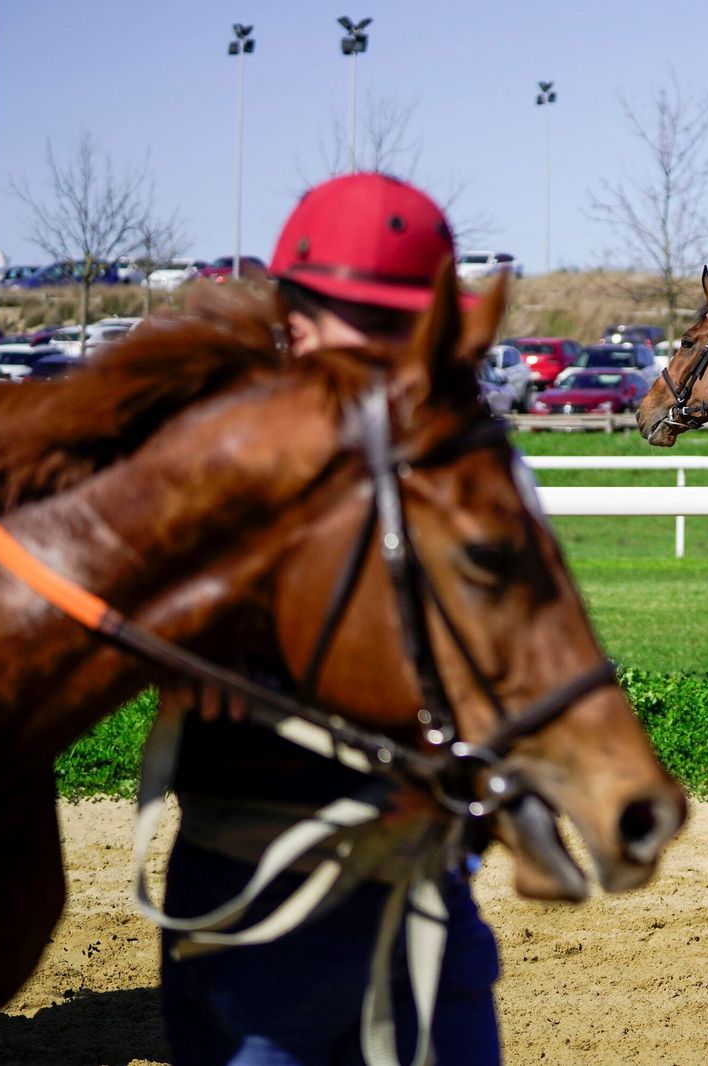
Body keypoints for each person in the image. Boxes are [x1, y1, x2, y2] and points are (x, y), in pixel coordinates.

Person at [160, 173, 503, 1066]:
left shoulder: (473, 469)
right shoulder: (209, 472)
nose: (404, 351)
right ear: (295, 320)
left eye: (415, 322)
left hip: (430, 899)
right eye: (379, 322)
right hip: (255, 918)